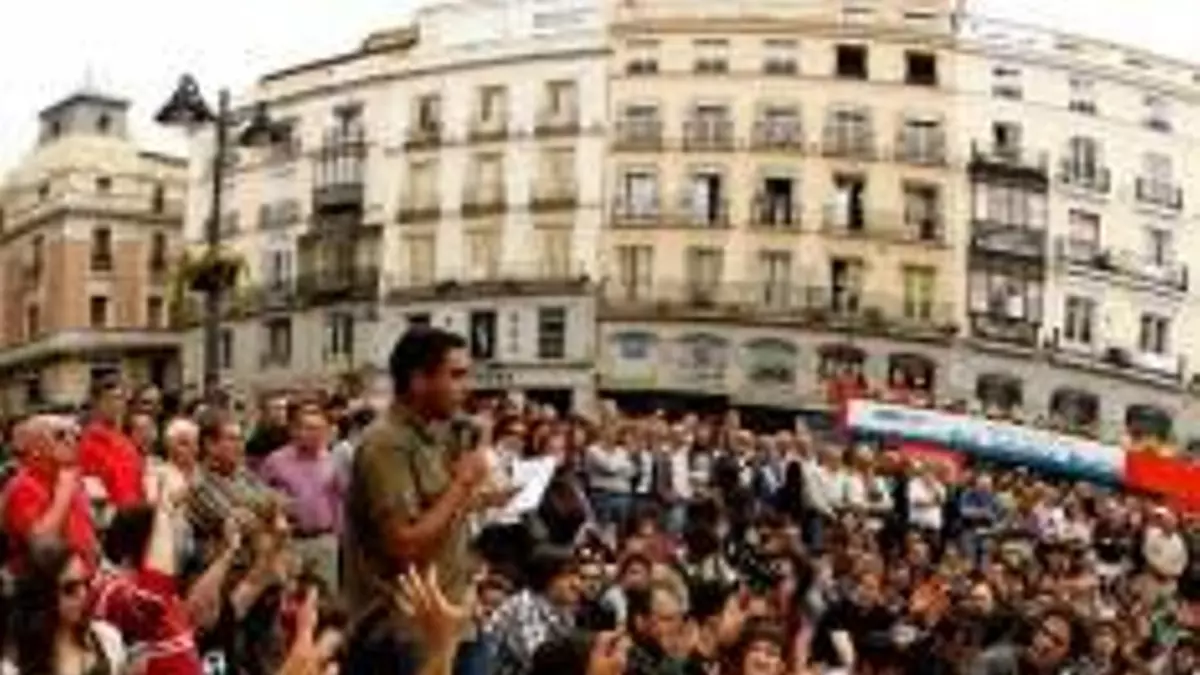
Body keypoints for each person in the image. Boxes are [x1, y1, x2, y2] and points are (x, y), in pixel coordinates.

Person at [342, 327, 508, 675]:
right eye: (456, 375)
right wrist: (463, 483)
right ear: (419, 380)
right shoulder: (386, 444)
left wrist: (475, 498)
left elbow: (440, 515)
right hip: (408, 628)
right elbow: (404, 543)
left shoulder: (435, 434)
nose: (466, 387)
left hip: (452, 614)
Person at [4, 537, 127, 675]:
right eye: (70, 588)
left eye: (86, 583)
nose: (83, 594)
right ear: (44, 594)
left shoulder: (108, 639)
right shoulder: (15, 666)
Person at [260, 401, 344, 592]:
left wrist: (337, 535)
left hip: (324, 542)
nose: (312, 434)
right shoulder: (275, 461)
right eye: (307, 428)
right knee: (288, 597)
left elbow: (340, 499)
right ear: (295, 431)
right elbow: (262, 498)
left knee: (325, 598)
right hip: (290, 541)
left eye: (318, 429)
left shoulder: (332, 460)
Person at [2, 415, 96, 570]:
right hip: (47, 578)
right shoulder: (22, 487)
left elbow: (86, 536)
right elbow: (41, 544)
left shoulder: (70, 479)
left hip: (86, 571)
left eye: (75, 435)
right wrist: (63, 493)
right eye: (59, 435)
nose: (70, 441)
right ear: (35, 449)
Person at [78, 376, 145, 509]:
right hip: (109, 512)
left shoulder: (127, 441)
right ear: (97, 403)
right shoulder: (89, 440)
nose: (117, 404)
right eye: (111, 399)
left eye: (121, 398)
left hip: (134, 510)